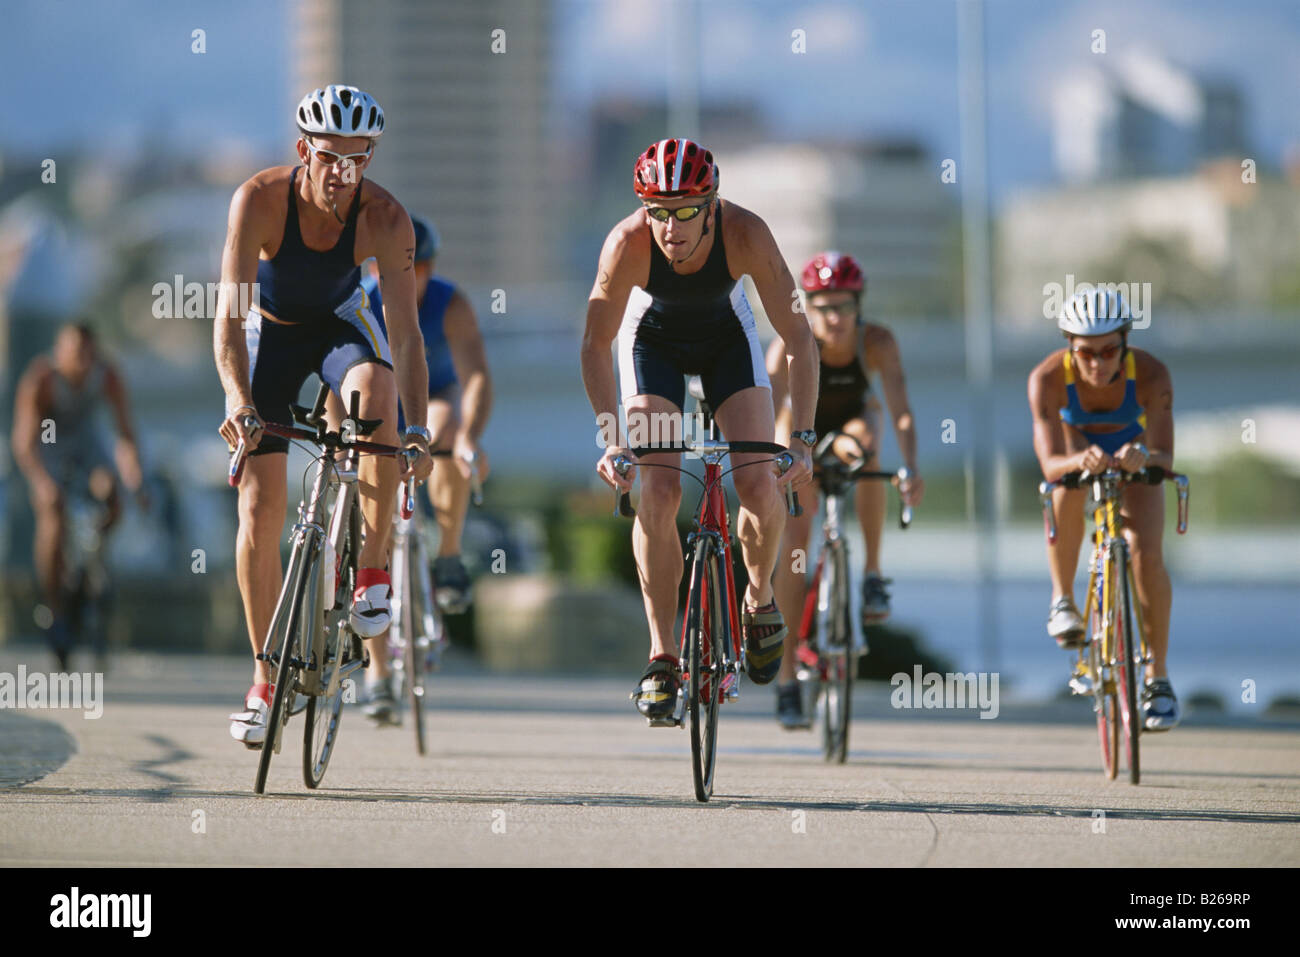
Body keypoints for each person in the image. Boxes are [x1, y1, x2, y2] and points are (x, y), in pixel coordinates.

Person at [216, 85, 434, 748]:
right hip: (272, 334)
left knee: (375, 391)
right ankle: (262, 678)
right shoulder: (257, 199)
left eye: (357, 159)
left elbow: (406, 335)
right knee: (260, 506)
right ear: (302, 150)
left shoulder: (386, 219)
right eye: (329, 156)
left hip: (342, 327)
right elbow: (228, 316)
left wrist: (419, 430)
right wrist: (238, 399)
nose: (342, 173)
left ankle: (370, 570)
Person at [581, 137, 818, 721]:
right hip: (651, 342)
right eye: (658, 212)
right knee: (657, 494)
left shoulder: (747, 233)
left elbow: (799, 338)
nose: (671, 226)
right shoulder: (626, 243)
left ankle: (758, 596)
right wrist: (612, 435)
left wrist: (804, 439)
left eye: (686, 210)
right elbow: (596, 341)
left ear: (712, 203)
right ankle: (663, 653)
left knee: (762, 484)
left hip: (725, 341)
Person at [765, 252, 924, 728]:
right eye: (824, 307)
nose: (835, 318)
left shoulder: (877, 343)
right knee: (794, 546)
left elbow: (900, 411)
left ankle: (873, 573)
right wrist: (777, 467)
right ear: (809, 309)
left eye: (844, 306)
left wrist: (911, 467)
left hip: (852, 427)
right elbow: (770, 412)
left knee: (870, 445)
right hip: (799, 432)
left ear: (859, 306)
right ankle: (788, 676)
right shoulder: (788, 347)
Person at [351, 215, 493, 722]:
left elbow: (476, 375)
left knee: (445, 427)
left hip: (434, 401)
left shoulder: (450, 304)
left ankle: (449, 555)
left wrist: (471, 439)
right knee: (376, 538)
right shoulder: (360, 299)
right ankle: (378, 673)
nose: (413, 279)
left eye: (422, 267)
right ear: (375, 266)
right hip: (381, 406)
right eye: (401, 268)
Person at [1027, 286, 1179, 731]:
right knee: (1064, 488)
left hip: (1133, 460)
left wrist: (1145, 458)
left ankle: (1158, 677)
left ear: (1125, 342)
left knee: (1145, 553)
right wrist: (1080, 461)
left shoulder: (1151, 374)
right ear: (1068, 348)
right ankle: (1063, 602)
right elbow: (1051, 461)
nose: (1096, 363)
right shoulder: (1048, 378)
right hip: (1076, 458)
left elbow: (1165, 457)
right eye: (1084, 354)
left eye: (1109, 351)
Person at [11, 322, 148, 672]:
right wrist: (42, 484)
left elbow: (125, 435)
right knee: (53, 511)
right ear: (60, 353)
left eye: (88, 354)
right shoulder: (41, 379)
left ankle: (92, 566)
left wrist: (134, 481)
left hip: (87, 444)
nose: (83, 362)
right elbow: (25, 442)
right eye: (75, 354)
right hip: (51, 444)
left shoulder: (107, 376)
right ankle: (56, 607)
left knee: (112, 495)